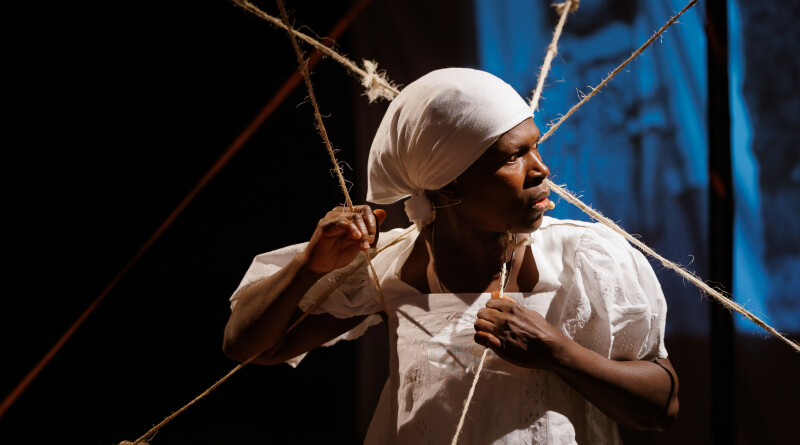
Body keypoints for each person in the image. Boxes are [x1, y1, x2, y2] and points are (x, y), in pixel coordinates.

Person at [222, 68, 678, 444]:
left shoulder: (584, 257)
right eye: (514, 156)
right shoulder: (394, 266)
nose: (541, 169)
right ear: (450, 184)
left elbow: (663, 407)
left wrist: (558, 353)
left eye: (536, 146)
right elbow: (250, 348)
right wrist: (309, 267)